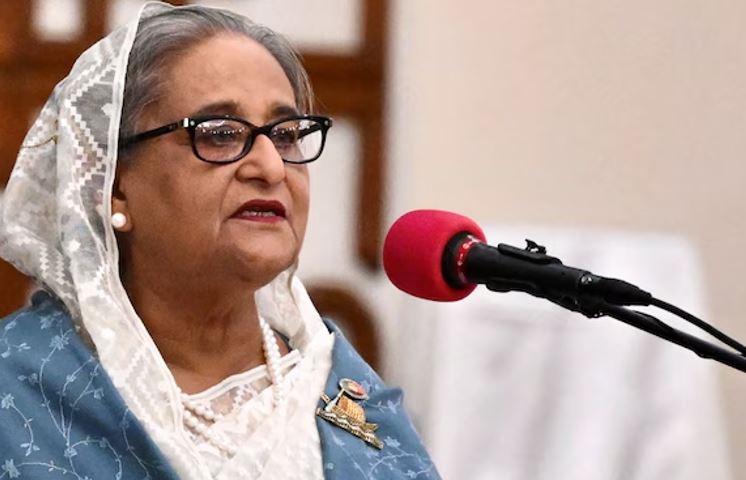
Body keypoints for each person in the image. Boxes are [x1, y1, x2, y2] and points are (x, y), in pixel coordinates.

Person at [0, 3, 439, 479]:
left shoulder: (343, 392)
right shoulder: (17, 392)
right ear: (113, 186)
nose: (271, 167)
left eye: (286, 135)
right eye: (220, 134)